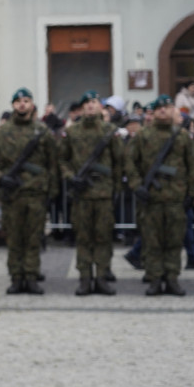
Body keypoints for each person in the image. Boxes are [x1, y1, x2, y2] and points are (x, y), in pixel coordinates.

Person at [0, 88, 58, 295]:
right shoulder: (1, 133)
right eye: (18, 101)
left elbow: (52, 163)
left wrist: (51, 191)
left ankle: (31, 276)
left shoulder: (42, 132)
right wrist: (1, 177)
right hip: (12, 194)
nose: (22, 105)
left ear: (32, 104)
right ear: (13, 105)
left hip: (35, 193)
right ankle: (16, 277)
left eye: (26, 101)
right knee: (15, 238)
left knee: (33, 238)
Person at [125, 94, 194, 297]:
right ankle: (155, 279)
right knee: (152, 242)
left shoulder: (182, 137)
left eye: (167, 107)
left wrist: (191, 194)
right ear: (154, 112)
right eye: (159, 108)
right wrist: (137, 186)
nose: (163, 111)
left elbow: (193, 166)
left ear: (173, 110)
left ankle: (172, 279)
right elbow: (130, 163)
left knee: (174, 241)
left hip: (176, 199)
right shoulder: (143, 136)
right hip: (151, 199)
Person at [59, 91, 123, 296]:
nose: (89, 106)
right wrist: (71, 177)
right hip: (82, 194)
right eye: (85, 103)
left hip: (103, 194)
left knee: (103, 238)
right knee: (84, 238)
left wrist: (116, 188)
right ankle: (85, 278)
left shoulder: (109, 131)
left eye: (93, 102)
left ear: (100, 106)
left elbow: (119, 161)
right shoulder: (72, 132)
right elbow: (62, 160)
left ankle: (102, 277)